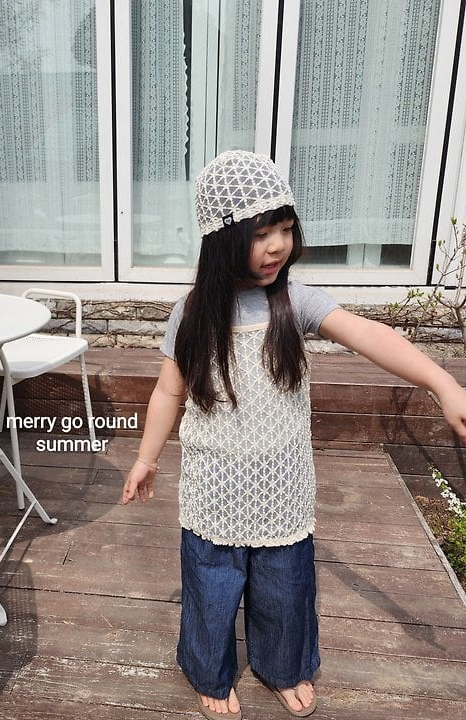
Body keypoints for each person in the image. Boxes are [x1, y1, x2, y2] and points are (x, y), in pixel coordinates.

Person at [121, 150, 466, 720]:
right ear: (222, 239)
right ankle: (209, 671)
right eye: (260, 234)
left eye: (284, 228)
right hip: (213, 488)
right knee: (210, 591)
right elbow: (167, 392)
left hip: (281, 489)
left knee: (285, 593)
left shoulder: (294, 300)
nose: (277, 245)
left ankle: (282, 667)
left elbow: (367, 334)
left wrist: (441, 381)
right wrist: (146, 458)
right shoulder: (192, 312)